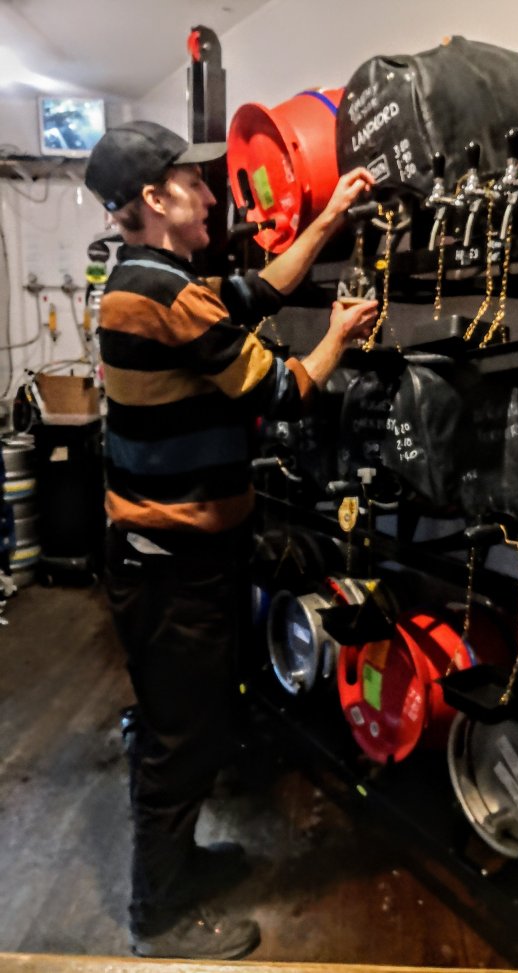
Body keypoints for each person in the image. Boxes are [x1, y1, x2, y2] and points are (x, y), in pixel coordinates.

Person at [83, 120, 378, 961]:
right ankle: (158, 916)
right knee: (181, 742)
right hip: (169, 568)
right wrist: (340, 335)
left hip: (168, 559)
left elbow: (258, 290)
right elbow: (282, 390)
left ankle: (177, 869)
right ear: (154, 198)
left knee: (190, 723)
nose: (212, 196)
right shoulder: (167, 295)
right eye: (194, 182)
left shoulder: (156, 279)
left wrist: (328, 216)